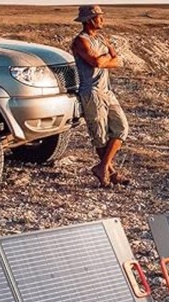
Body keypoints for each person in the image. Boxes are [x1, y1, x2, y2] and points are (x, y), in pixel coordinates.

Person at [71, 5, 130, 187]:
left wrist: (104, 59)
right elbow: (95, 61)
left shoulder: (102, 39)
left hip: (107, 91)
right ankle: (110, 172)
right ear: (90, 20)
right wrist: (104, 59)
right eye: (99, 17)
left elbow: (117, 60)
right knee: (100, 135)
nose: (102, 20)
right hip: (92, 92)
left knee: (121, 127)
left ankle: (102, 167)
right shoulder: (81, 41)